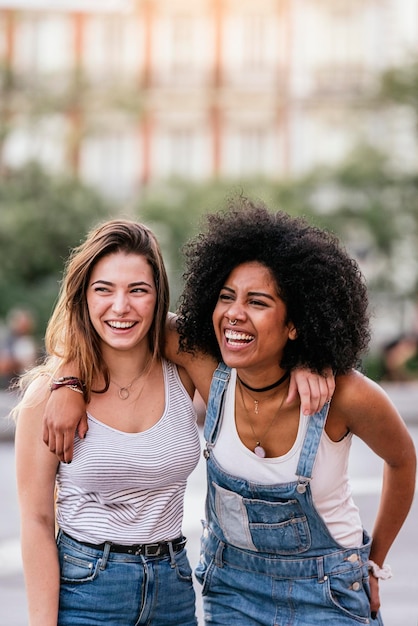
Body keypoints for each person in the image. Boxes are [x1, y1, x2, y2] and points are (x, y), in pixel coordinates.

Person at [15, 217, 332, 626]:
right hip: (87, 588)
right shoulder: (45, 398)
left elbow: (256, 357)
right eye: (103, 290)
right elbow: (38, 523)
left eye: (138, 290)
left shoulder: (182, 368)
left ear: (158, 297)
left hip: (174, 585)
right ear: (84, 297)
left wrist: (307, 360)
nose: (121, 306)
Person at [172, 198, 416, 625]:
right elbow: (120, 320)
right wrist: (66, 382)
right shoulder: (210, 373)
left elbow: (402, 459)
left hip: (327, 598)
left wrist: (375, 562)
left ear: (295, 323)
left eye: (258, 302)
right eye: (226, 297)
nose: (234, 314)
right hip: (232, 592)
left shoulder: (344, 396)